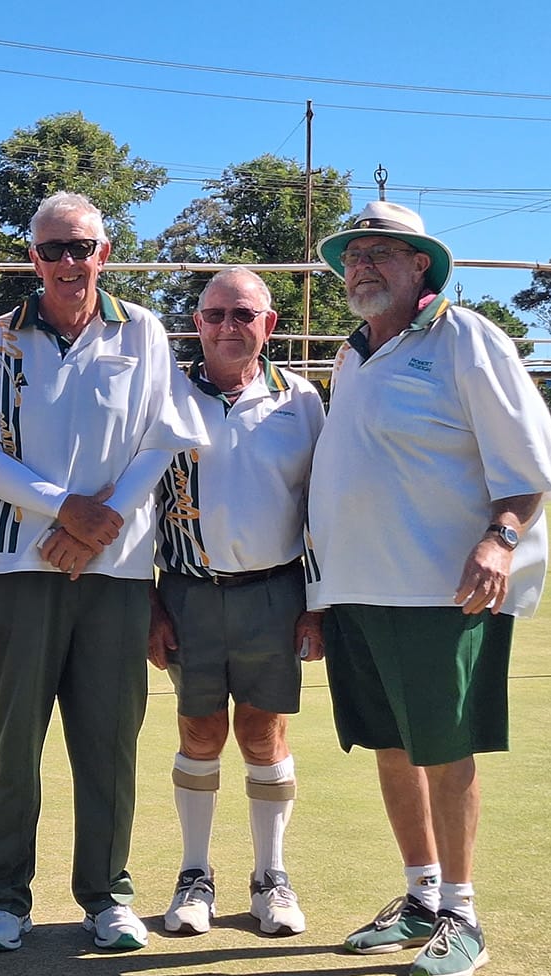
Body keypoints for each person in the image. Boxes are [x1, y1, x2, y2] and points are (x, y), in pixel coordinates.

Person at [309, 201, 551, 976]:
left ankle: (462, 913)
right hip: (354, 591)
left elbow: (530, 464)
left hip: (441, 592)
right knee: (389, 747)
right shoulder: (352, 354)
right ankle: (420, 897)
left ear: (420, 264)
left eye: (381, 252)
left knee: (446, 752)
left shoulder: (466, 337)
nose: (362, 265)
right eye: (353, 254)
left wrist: (500, 540)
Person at [0, 191, 208, 953]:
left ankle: (106, 894)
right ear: (32, 257)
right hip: (20, 560)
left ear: (105, 252)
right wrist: (64, 510)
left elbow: (161, 439)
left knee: (108, 740)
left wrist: (98, 527)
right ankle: (4, 896)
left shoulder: (144, 331)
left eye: (83, 247)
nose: (69, 262)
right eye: (53, 249)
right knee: (13, 740)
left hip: (118, 567)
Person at [149, 266, 325, 938]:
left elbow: (320, 506)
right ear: (197, 323)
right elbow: (142, 506)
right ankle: (194, 873)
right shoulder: (164, 397)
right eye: (215, 314)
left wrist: (317, 604)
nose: (228, 326)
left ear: (267, 325)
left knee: (261, 732)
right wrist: (149, 604)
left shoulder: (300, 401)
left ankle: (269, 877)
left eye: (242, 314)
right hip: (188, 593)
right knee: (198, 732)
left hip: (274, 594)